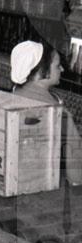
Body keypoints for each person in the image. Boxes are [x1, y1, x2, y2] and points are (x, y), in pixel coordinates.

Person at [10, 40, 82, 183]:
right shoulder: (60, 115)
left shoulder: (10, 98)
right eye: (57, 65)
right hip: (44, 188)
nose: (62, 69)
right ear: (42, 71)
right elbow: (77, 176)